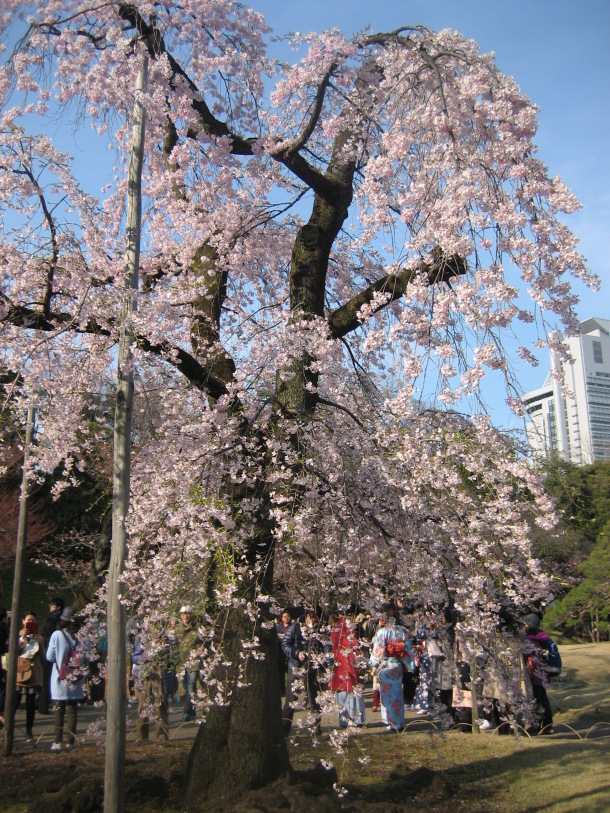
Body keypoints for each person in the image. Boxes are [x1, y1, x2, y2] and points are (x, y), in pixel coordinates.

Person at [46, 607, 86, 750]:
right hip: (76, 679)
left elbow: (49, 657)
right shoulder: (82, 637)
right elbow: (86, 657)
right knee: (72, 709)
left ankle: (57, 741)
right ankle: (71, 741)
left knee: (59, 709)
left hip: (60, 678)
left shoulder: (57, 635)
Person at [369, 612, 414, 731]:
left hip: (386, 665)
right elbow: (407, 647)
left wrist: (373, 665)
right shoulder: (400, 631)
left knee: (388, 695)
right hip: (397, 665)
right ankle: (399, 721)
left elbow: (378, 651)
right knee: (398, 693)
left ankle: (391, 722)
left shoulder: (382, 632)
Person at [330, 615, 365, 728]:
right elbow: (354, 644)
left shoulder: (338, 627)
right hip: (346, 660)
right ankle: (355, 718)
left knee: (343, 689)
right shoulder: (346, 626)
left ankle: (344, 720)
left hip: (340, 661)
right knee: (351, 689)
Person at [16, 611, 45, 742]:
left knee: (30, 704)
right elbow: (13, 651)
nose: (30, 623)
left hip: (33, 672)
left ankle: (29, 731)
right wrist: (22, 639)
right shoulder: (18, 635)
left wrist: (40, 641)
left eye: (33, 621)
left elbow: (43, 656)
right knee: (14, 702)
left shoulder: (39, 637)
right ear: (23, 622)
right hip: (19, 671)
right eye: (28, 620)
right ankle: (8, 729)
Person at [522, 613, 554, 733]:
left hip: (535, 672)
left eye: (525, 624)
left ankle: (537, 724)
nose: (524, 626)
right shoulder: (542, 636)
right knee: (542, 698)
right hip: (541, 671)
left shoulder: (531, 638)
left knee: (536, 698)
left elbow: (525, 653)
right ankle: (547, 725)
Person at [38, 597, 65, 715]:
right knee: (48, 680)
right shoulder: (58, 620)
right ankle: (44, 705)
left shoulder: (52, 620)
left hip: (48, 651)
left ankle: (42, 704)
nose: (50, 606)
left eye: (52, 605)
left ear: (58, 606)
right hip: (53, 653)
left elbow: (44, 635)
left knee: (46, 680)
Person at [176, 605, 200, 721]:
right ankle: (193, 710)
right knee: (186, 689)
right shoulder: (177, 629)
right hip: (182, 662)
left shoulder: (196, 629)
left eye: (188, 613)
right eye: (184, 614)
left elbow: (203, 641)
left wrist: (200, 650)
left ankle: (186, 711)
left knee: (191, 687)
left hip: (193, 662)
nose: (186, 616)